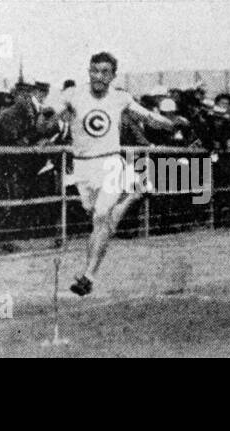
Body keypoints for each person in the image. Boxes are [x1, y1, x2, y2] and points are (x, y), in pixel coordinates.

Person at [38, 52, 174, 296]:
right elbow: (50, 119)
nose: (98, 76)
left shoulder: (120, 98)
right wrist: (48, 118)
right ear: (88, 71)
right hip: (82, 166)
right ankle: (132, 197)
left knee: (101, 215)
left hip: (110, 162)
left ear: (113, 75)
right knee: (101, 222)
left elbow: (146, 116)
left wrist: (168, 123)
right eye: (94, 71)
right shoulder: (73, 94)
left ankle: (88, 276)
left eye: (104, 72)